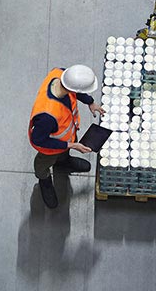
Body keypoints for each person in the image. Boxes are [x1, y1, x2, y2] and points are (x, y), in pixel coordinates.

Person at [28, 65, 105, 208]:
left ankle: (63, 162)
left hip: (66, 136)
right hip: (50, 148)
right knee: (42, 166)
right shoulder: (47, 116)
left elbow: (76, 91)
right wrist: (71, 145)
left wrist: (90, 102)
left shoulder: (60, 73)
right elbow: (39, 140)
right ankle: (44, 181)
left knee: (63, 154)